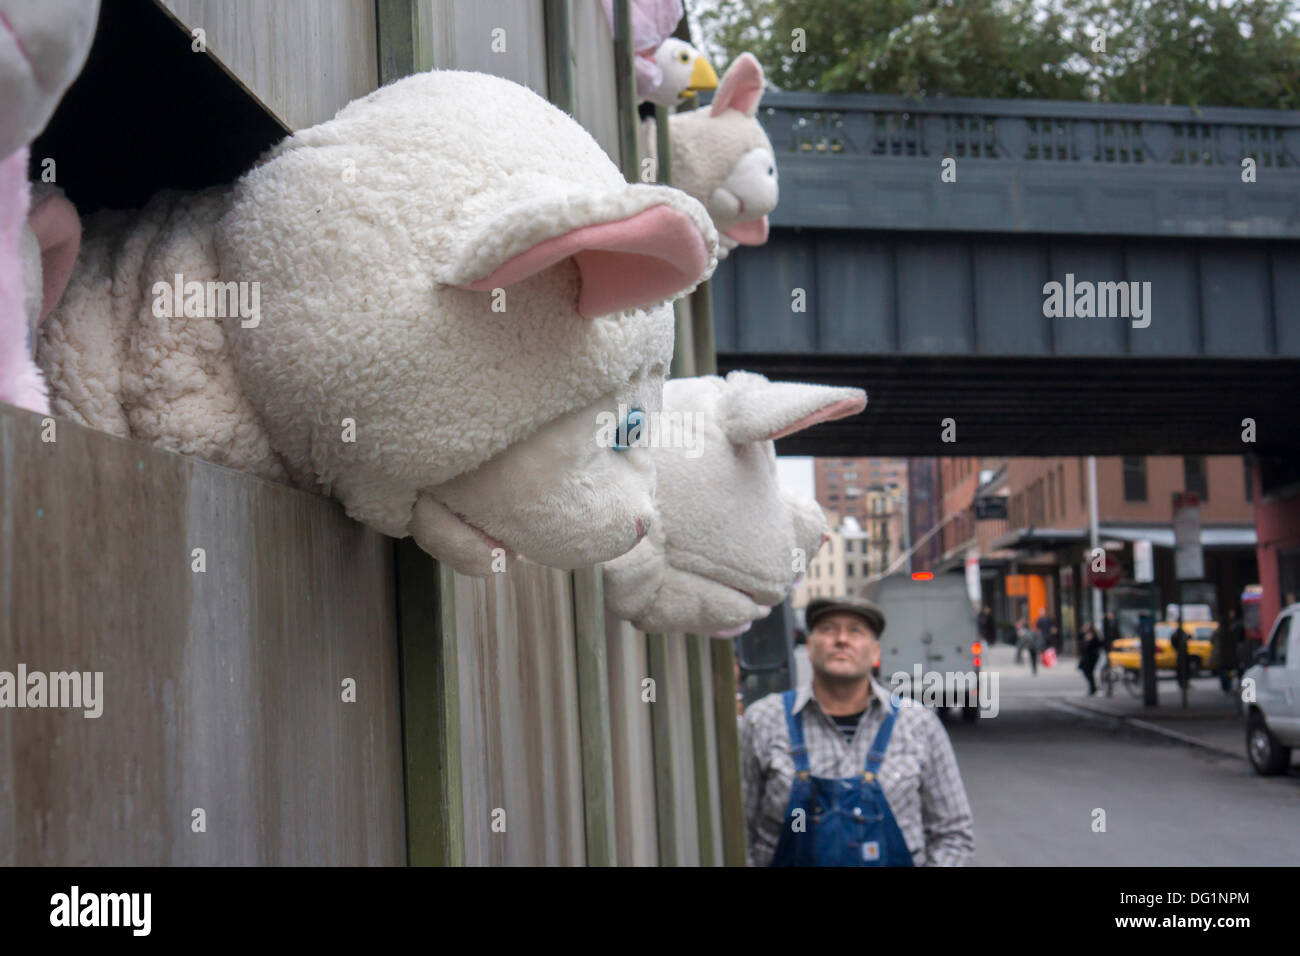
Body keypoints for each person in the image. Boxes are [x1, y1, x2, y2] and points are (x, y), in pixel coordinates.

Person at [739, 596, 975, 867]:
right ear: (810, 646)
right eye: (828, 628)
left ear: (876, 652)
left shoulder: (918, 725)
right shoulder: (764, 721)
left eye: (856, 630)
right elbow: (737, 831)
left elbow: (953, 834)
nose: (841, 639)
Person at [1077, 623, 1103, 695]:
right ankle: (1093, 687)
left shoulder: (1095, 636)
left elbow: (1100, 644)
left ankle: (1093, 688)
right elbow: (1079, 642)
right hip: (1085, 657)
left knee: (1090, 672)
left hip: (1092, 657)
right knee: (1085, 671)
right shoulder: (1082, 635)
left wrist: (1091, 639)